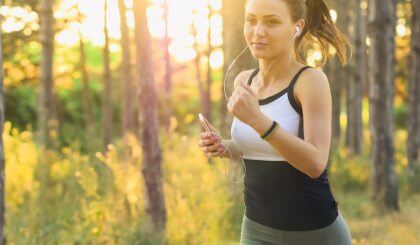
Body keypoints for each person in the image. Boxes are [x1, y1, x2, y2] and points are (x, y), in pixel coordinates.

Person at [198, 0, 353, 244]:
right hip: (257, 230)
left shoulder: (310, 81)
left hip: (315, 233)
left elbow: (315, 163)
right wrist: (224, 147)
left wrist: (259, 121)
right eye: (251, 20)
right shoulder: (244, 81)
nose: (258, 32)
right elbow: (259, 147)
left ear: (296, 27)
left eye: (272, 22)